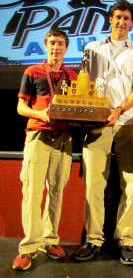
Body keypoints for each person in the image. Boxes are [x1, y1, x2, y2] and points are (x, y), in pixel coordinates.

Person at [74, 0, 133, 265]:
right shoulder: (92, 48)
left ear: (132, 22)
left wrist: (117, 110)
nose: (121, 22)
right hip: (97, 125)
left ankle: (125, 241)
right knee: (94, 184)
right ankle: (93, 240)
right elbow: (84, 85)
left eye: (126, 18)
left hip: (129, 122)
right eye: (117, 17)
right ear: (110, 19)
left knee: (130, 185)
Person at [13, 28, 77, 271]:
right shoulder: (33, 72)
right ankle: (29, 247)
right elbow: (21, 107)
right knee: (31, 192)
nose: (55, 47)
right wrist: (39, 113)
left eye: (60, 43)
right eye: (51, 43)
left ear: (66, 47)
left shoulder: (73, 76)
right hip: (38, 135)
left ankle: (50, 240)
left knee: (56, 191)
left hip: (63, 138)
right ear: (46, 45)